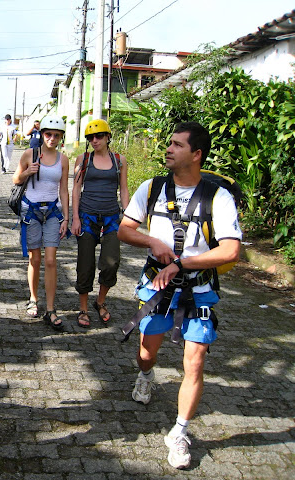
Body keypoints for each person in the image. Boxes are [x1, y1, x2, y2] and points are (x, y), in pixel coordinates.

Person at [117, 121, 241, 469]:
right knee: (146, 354)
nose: (168, 149)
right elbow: (124, 230)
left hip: (198, 291)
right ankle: (145, 376)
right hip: (156, 287)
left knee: (195, 361)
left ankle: (180, 432)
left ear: (196, 154)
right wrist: (152, 242)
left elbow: (231, 250)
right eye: (169, 143)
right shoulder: (152, 188)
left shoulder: (218, 197)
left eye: (177, 145)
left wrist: (182, 263)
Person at [12, 115, 69, 330]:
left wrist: (66, 217)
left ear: (61, 137)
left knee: (51, 260)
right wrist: (28, 171)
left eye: (56, 135)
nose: (52, 139)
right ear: (42, 134)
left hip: (52, 212)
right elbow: (16, 179)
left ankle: (51, 309)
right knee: (34, 259)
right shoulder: (30, 154)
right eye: (48, 134)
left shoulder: (63, 159)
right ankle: (33, 299)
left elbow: (64, 190)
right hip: (31, 211)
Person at [71, 119, 129, 328]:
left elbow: (124, 188)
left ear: (108, 137)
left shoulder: (119, 160)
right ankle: (83, 308)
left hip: (111, 218)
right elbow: (76, 189)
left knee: (112, 263)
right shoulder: (83, 159)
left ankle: (100, 301)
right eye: (90, 138)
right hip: (87, 217)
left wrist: (128, 216)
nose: (94, 141)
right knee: (85, 265)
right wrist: (75, 218)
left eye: (99, 136)